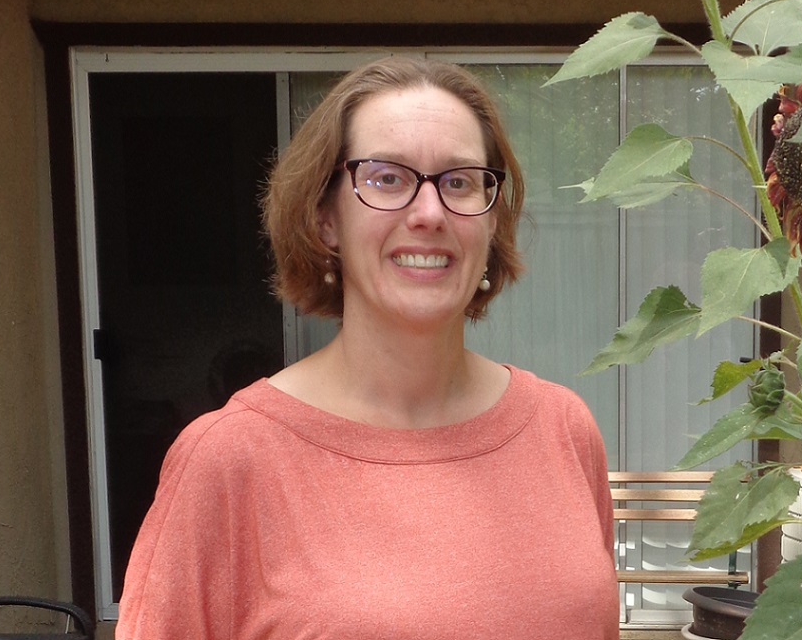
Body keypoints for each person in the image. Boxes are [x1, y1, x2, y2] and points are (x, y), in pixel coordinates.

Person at [116, 57, 619, 639]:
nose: (429, 213)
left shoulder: (563, 429)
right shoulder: (228, 461)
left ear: (491, 222)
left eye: (459, 181)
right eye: (387, 178)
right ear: (325, 219)